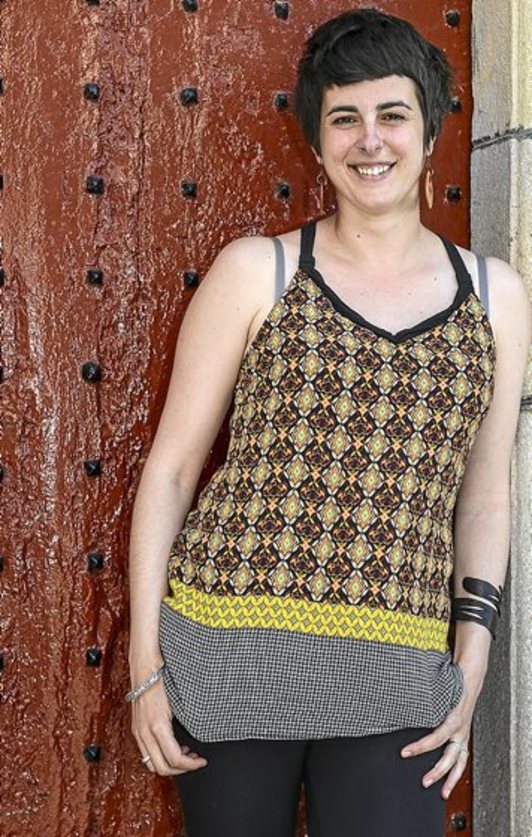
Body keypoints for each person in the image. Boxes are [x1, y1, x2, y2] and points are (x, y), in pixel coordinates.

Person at [127, 8, 531, 836]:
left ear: (430, 131)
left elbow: (486, 494)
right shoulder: (259, 272)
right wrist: (144, 662)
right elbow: (171, 471)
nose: (369, 140)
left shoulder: (496, 298)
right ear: (317, 142)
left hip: (400, 676)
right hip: (228, 656)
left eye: (392, 114)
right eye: (344, 118)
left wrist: (472, 664)